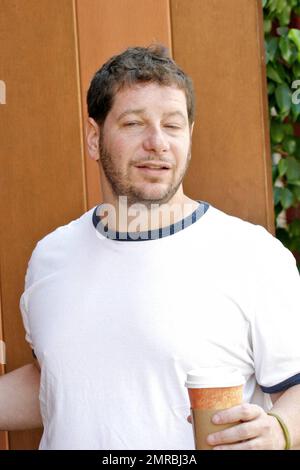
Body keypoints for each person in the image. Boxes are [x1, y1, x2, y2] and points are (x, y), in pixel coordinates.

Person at [1, 44, 300, 450]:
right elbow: (59, 378)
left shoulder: (252, 257)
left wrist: (279, 431)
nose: (157, 143)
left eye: (173, 126)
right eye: (134, 124)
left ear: (190, 136)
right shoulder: (51, 257)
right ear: (94, 138)